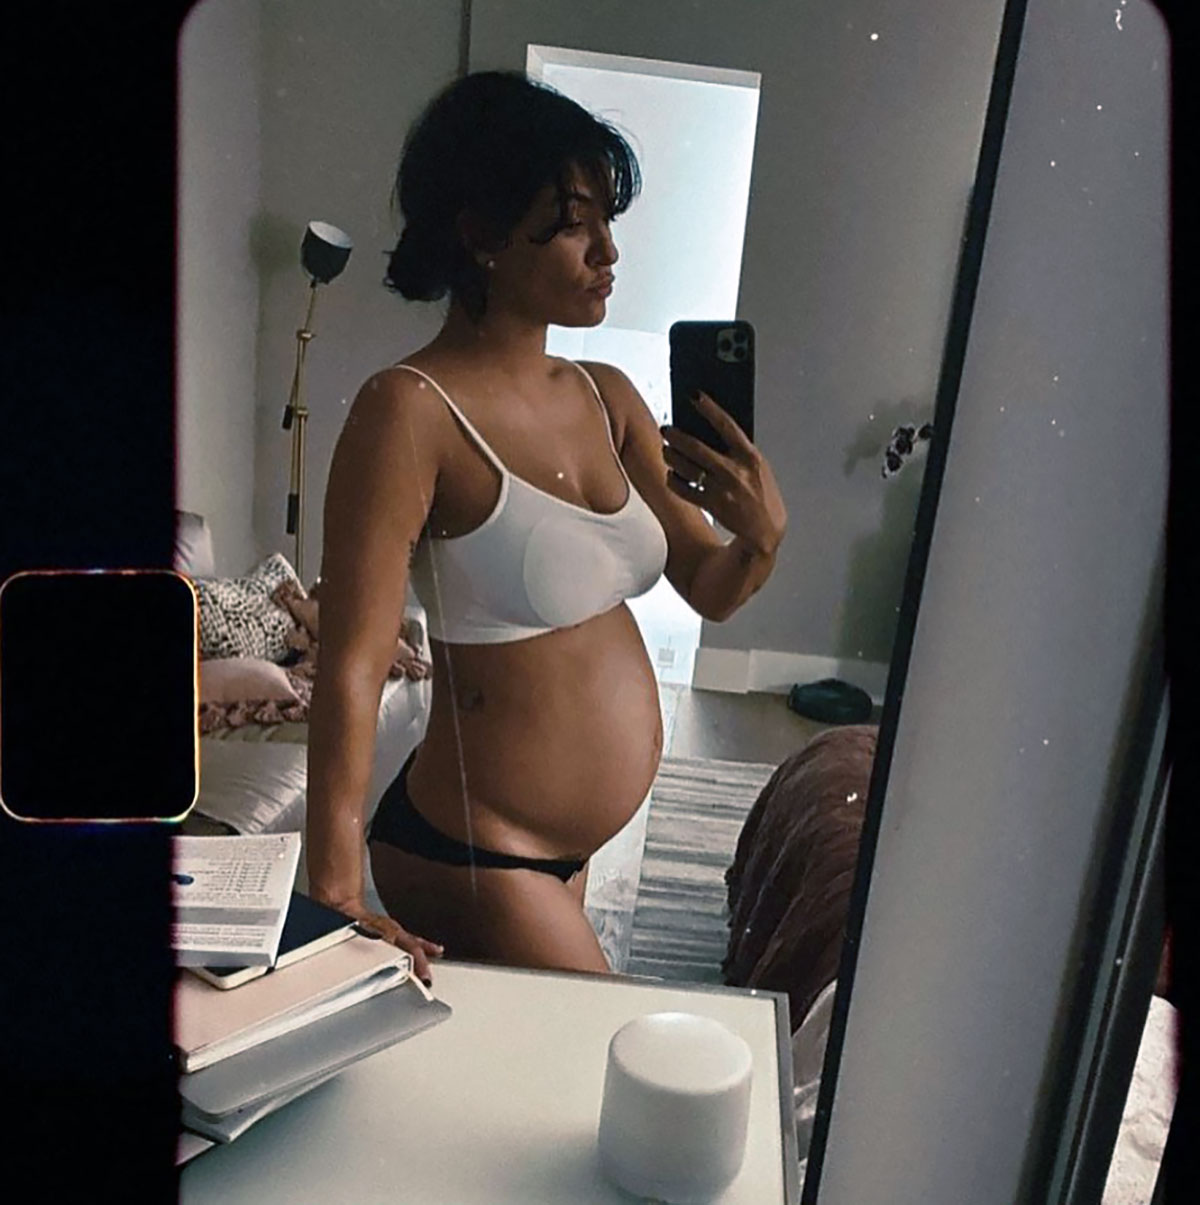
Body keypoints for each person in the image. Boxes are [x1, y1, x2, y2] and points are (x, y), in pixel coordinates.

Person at [305, 71, 787, 982]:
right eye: (574, 224)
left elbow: (710, 587)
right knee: (604, 1043)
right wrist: (332, 890)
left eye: (609, 221)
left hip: (566, 852)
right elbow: (353, 664)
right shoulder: (410, 411)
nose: (609, 250)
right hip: (474, 850)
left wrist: (759, 536)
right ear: (481, 233)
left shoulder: (609, 397)